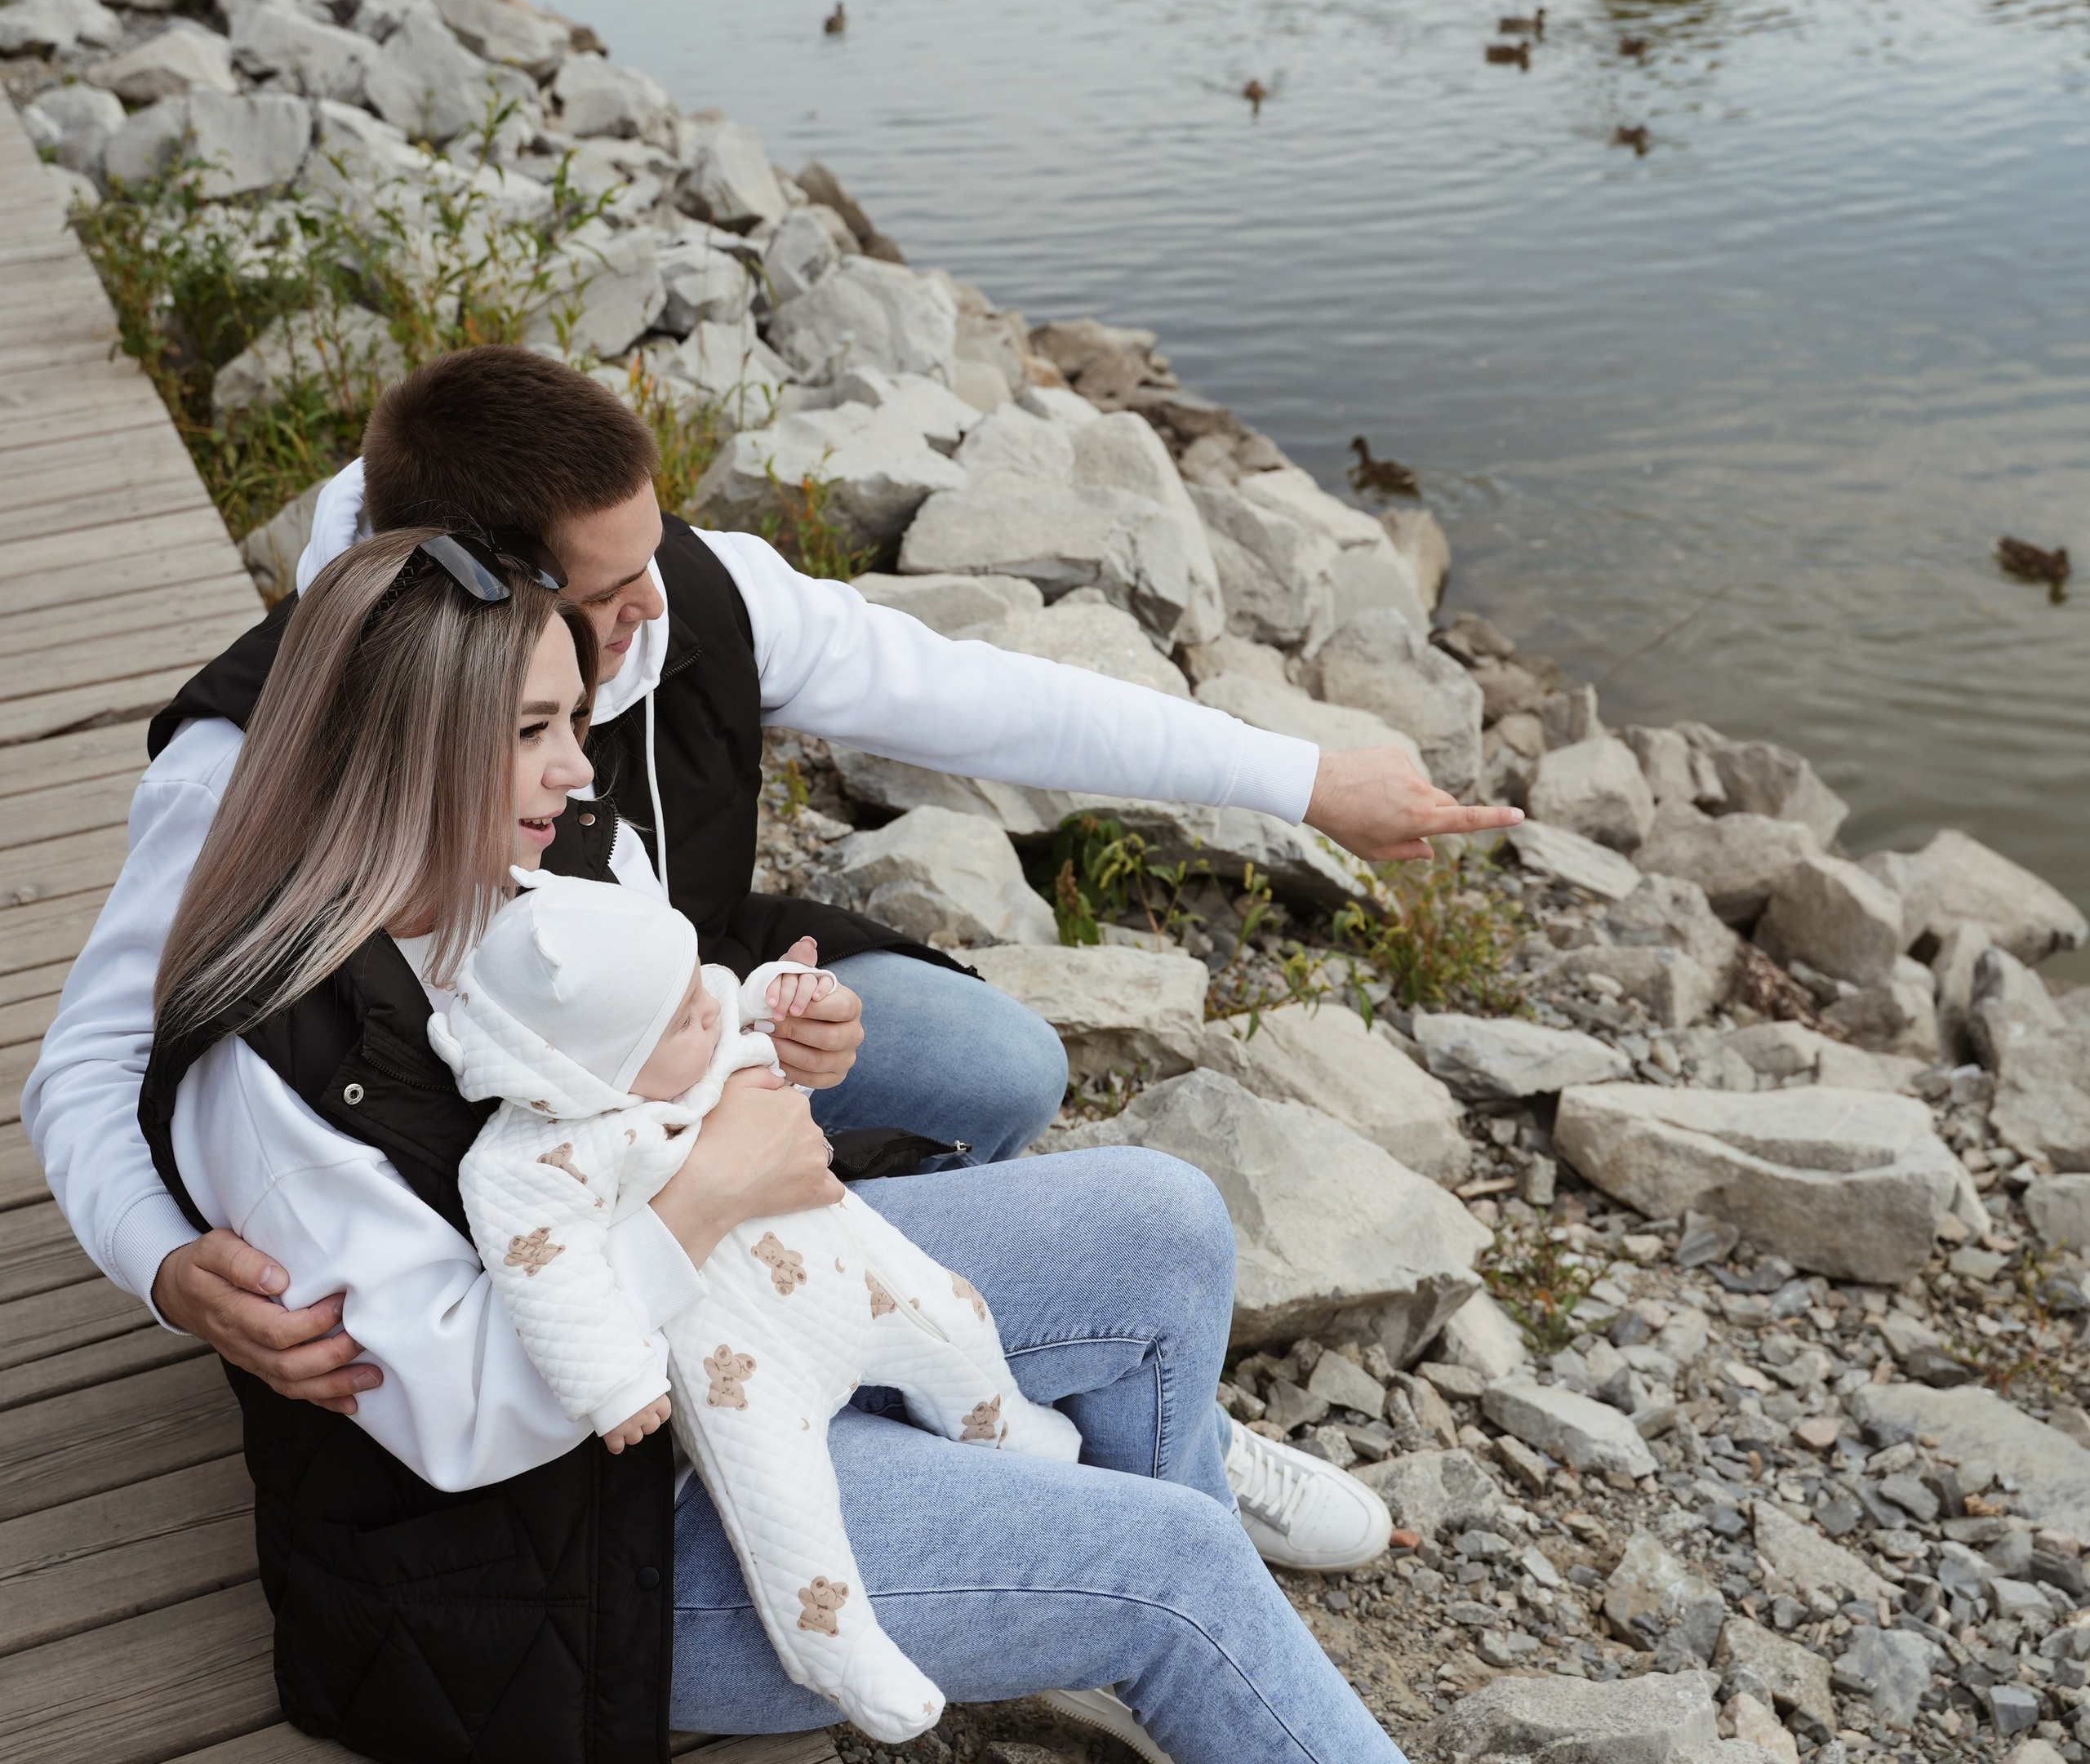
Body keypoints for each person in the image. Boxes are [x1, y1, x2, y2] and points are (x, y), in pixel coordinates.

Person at [25, 343, 1519, 1572]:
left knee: (1003, 1065)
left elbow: (976, 695)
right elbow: (93, 1064)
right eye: (609, 600)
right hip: (502, 1141)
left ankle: (1066, 1372)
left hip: (692, 988)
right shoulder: (252, 756)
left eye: (652, 552)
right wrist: (167, 1267)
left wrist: (1300, 778)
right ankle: (942, 1382)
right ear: (484, 598)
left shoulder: (679, 585)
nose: (656, 602)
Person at [140, 527, 1407, 1762]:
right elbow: (465, 1425)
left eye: (574, 723)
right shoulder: (277, 1068)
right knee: (1166, 1566)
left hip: (750, 1317)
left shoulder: (544, 858)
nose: (576, 772)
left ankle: (1118, 1620)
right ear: (391, 751)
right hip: (576, 1555)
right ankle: (1149, 1610)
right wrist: (708, 1195)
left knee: (1165, 1224)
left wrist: (771, 1040)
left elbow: (674, 1035)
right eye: (530, 734)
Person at [435, 870, 1079, 1744]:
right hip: (731, 1362)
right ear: (593, 1065)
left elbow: (735, 999)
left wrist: (789, 990)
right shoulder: (531, 1161)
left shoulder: (693, 1024)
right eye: (684, 1018)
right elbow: (553, 1285)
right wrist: (616, 1384)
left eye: (698, 986)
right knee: (783, 1500)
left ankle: (1007, 1430)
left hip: (843, 1260)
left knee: (954, 1319)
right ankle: (840, 1649)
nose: (709, 1008)